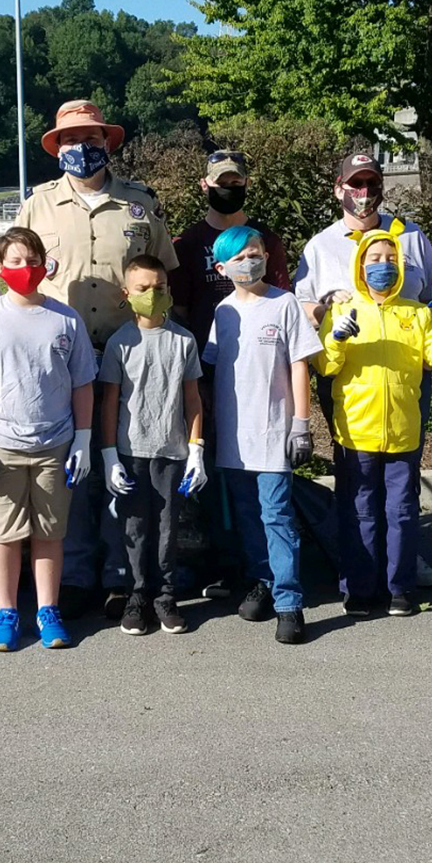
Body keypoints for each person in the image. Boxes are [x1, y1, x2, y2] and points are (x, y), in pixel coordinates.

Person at [14, 99, 177, 620]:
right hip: (58, 357)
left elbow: (163, 273)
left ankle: (118, 574)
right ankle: (78, 573)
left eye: (90, 138)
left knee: (121, 465)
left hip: (127, 354)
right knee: (70, 467)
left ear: (107, 142)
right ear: (56, 146)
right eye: (68, 139)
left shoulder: (140, 205)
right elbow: (19, 271)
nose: (79, 148)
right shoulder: (36, 206)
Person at [293, 151, 432, 589]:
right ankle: (358, 565)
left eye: (371, 184)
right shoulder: (321, 244)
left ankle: (404, 563)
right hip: (345, 372)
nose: (363, 194)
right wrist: (326, 307)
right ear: (338, 188)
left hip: (406, 369)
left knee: (403, 474)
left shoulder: (410, 236)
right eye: (354, 185)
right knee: (357, 476)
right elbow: (303, 303)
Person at [0, 227, 96, 652]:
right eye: (15, 261)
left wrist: (84, 438)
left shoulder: (65, 318)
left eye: (33, 261)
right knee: (5, 535)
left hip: (55, 444)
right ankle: (6, 613)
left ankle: (47, 611)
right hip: (0, 445)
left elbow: (82, 384)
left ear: (44, 265)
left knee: (50, 533)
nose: (25, 269)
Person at [316, 231, 432, 619]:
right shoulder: (344, 310)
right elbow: (326, 366)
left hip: (403, 430)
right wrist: (337, 339)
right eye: (374, 258)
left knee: (401, 512)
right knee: (359, 512)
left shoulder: (416, 313)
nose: (382, 265)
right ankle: (360, 591)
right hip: (355, 431)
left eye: (390, 258)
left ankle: (399, 588)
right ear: (360, 265)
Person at [169, 148, 291, 597]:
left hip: (262, 379)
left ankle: (262, 570)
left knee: (259, 477)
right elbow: (179, 311)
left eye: (236, 182)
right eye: (221, 181)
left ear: (246, 185)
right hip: (206, 375)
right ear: (205, 185)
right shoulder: (186, 244)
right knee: (212, 471)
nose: (228, 188)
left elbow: (282, 301)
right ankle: (218, 562)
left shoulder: (266, 242)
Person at [204, 226, 320, 645]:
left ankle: (290, 602)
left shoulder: (284, 303)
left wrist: (301, 424)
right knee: (248, 516)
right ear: (222, 267)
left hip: (273, 432)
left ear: (266, 257)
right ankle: (263, 581)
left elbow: (299, 365)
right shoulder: (224, 312)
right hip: (234, 437)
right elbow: (213, 368)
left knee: (277, 517)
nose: (248, 261)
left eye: (255, 253)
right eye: (238, 257)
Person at [99, 254, 205, 636]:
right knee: (134, 526)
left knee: (167, 528)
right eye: (143, 289)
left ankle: (165, 596)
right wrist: (109, 453)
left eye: (159, 287)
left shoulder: (183, 340)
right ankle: (137, 595)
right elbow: (110, 402)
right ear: (127, 294)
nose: (152, 294)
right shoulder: (119, 344)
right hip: (131, 451)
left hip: (172, 452)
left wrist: (197, 449)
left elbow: (192, 399)